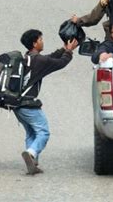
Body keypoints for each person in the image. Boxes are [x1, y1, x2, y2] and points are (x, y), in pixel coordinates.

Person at [15, 29, 78, 175]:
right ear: (34, 43)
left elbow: (49, 58)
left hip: (17, 104)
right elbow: (60, 63)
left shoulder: (28, 58)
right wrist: (68, 52)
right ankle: (31, 153)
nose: (43, 41)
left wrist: (63, 49)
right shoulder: (40, 61)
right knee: (43, 132)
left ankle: (33, 163)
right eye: (40, 39)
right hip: (29, 104)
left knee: (31, 132)